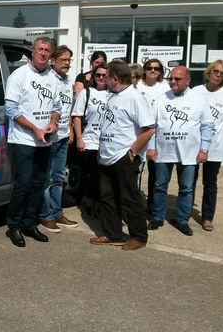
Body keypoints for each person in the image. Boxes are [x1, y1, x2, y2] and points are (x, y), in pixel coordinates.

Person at [90, 60, 154, 251]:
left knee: (129, 198)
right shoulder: (113, 96)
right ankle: (113, 234)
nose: (104, 79)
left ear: (115, 78)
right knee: (107, 197)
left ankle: (139, 236)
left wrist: (132, 152)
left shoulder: (134, 97)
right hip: (106, 156)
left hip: (123, 157)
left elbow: (149, 129)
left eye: (106, 76)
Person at [4, 36, 60, 247]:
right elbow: (11, 109)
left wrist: (53, 122)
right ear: (33, 52)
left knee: (39, 184)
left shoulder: (53, 78)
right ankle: (14, 226)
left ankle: (30, 223)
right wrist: (34, 129)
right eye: (40, 49)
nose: (43, 53)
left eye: (47, 50)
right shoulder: (19, 75)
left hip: (45, 140)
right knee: (23, 184)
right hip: (24, 139)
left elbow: (57, 108)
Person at [147, 66, 215, 236]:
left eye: (177, 79)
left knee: (186, 188)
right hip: (164, 151)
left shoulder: (198, 99)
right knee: (159, 185)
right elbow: (152, 126)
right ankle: (157, 216)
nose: (172, 82)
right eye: (171, 78)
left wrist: (204, 150)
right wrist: (151, 147)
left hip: (189, 152)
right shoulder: (161, 98)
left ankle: (182, 220)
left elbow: (207, 126)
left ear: (188, 80)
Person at [191, 60, 223, 232]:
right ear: (209, 73)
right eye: (215, 71)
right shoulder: (196, 91)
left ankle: (207, 217)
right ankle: (185, 212)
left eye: (222, 73)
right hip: (193, 144)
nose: (218, 74)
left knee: (210, 182)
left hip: (216, 145)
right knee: (189, 181)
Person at [40, 45, 79, 233]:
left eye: (69, 60)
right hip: (49, 137)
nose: (67, 63)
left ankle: (57, 212)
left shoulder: (67, 80)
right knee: (46, 179)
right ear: (52, 60)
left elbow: (68, 107)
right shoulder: (47, 79)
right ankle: (46, 215)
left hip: (64, 134)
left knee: (59, 177)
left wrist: (70, 127)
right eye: (63, 60)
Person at [72, 62, 108, 216]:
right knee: (93, 174)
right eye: (97, 75)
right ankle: (90, 204)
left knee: (103, 176)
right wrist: (79, 138)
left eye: (104, 75)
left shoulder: (114, 94)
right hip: (90, 141)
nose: (100, 78)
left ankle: (99, 204)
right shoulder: (86, 93)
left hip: (107, 143)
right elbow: (77, 117)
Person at [136, 59, 170, 212]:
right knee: (136, 170)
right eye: (149, 67)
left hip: (157, 134)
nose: (152, 70)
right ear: (144, 69)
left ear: (161, 71)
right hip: (139, 132)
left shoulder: (165, 87)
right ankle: (134, 204)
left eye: (156, 68)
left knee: (155, 173)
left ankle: (152, 205)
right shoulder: (137, 85)